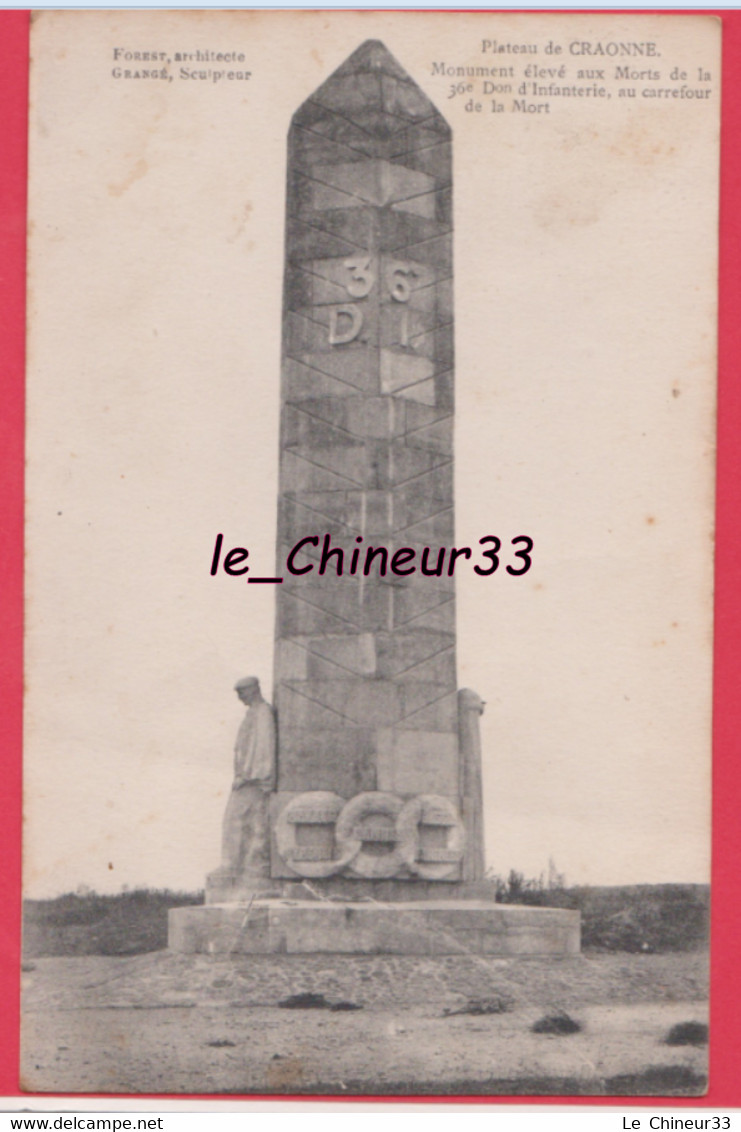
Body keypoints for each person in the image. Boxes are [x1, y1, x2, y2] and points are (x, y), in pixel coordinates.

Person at [219, 676, 276, 877]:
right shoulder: (253, 713)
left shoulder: (263, 712)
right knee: (249, 823)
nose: (240, 698)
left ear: (253, 690)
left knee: (237, 821)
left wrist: (251, 776)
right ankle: (241, 866)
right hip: (246, 779)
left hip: (252, 781)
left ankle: (235, 866)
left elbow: (263, 747)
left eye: (241, 692)